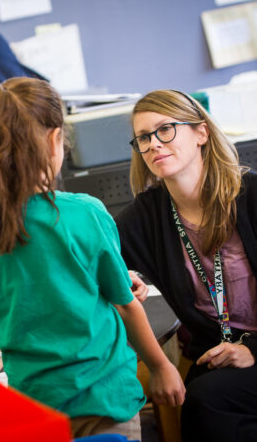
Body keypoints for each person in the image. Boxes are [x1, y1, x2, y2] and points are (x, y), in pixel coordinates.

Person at [0, 77, 185, 439]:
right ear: (54, 140)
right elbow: (125, 305)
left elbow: (22, 292)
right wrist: (160, 367)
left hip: (33, 405)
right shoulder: (84, 213)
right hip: (102, 399)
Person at [115, 89, 257, 441]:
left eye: (165, 129)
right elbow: (86, 267)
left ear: (201, 133)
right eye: (144, 138)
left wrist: (252, 350)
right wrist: (126, 275)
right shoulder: (145, 216)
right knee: (198, 399)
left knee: (209, 401)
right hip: (217, 357)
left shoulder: (251, 195)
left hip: (250, 354)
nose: (153, 145)